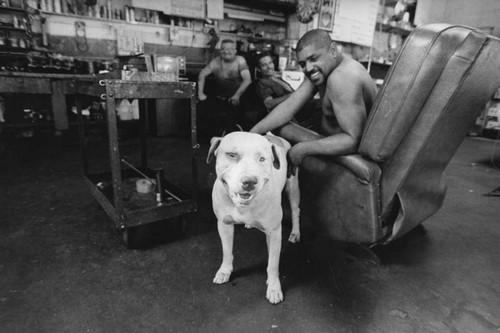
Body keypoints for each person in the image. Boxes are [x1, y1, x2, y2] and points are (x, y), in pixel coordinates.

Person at [250, 29, 378, 172]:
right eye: (303, 64)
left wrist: (303, 149)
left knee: (281, 130)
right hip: (331, 139)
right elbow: (289, 106)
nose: (308, 68)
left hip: (348, 150)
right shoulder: (324, 70)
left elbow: (353, 140)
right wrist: (252, 133)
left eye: (314, 58)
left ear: (333, 50)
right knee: (277, 126)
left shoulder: (342, 78)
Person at [197, 39, 252, 135]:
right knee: (201, 109)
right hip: (221, 97)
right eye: (223, 49)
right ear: (220, 51)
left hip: (240, 97)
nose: (226, 51)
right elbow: (202, 74)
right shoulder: (216, 61)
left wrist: (237, 96)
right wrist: (200, 94)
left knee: (232, 117)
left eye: (230, 49)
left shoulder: (240, 60)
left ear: (235, 51)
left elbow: (247, 80)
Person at [255, 52, 320, 129]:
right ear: (259, 69)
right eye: (264, 65)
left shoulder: (277, 78)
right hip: (293, 112)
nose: (269, 67)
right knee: (319, 105)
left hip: (300, 105)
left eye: (270, 63)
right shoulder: (262, 82)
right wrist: (290, 96)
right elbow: (268, 104)